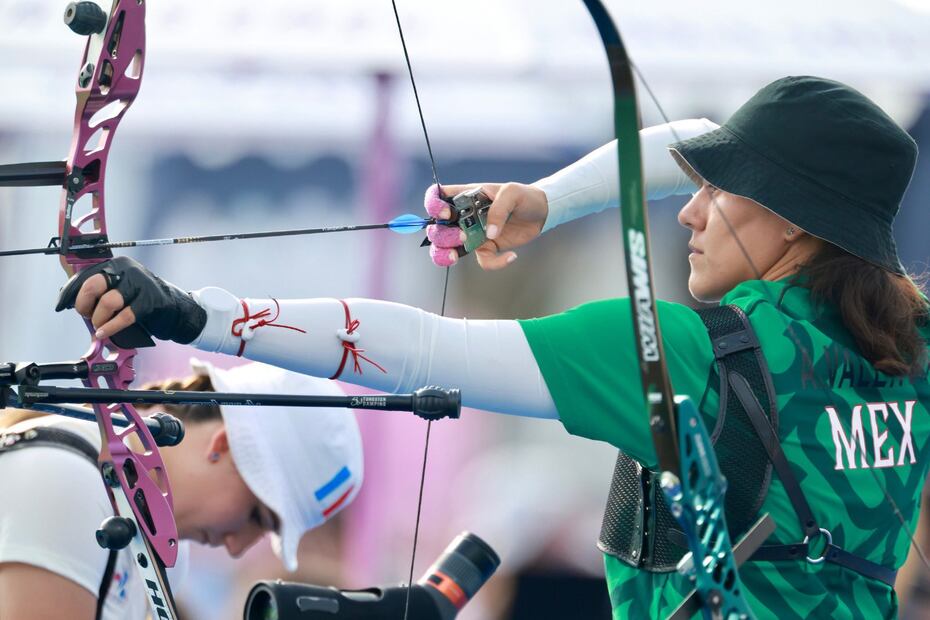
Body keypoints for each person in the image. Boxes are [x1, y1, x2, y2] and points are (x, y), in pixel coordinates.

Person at [59, 76, 926, 619]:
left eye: (723, 191)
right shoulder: (911, 344)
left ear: (793, 221)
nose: (690, 212)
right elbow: (690, 132)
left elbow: (420, 349)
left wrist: (195, 316)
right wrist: (545, 203)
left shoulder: (685, 354)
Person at [0, 359, 363, 620]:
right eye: (256, 516)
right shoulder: (69, 482)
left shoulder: (169, 559)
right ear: (223, 446)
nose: (237, 548)